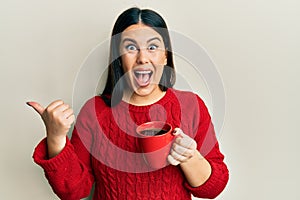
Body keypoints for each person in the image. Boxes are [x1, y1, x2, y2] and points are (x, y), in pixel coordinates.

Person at [27, 7, 229, 200]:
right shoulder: (95, 111)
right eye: (131, 47)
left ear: (165, 55)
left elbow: (213, 188)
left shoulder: (191, 106)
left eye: (152, 47)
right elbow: (74, 191)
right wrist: (55, 138)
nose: (142, 58)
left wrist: (188, 157)